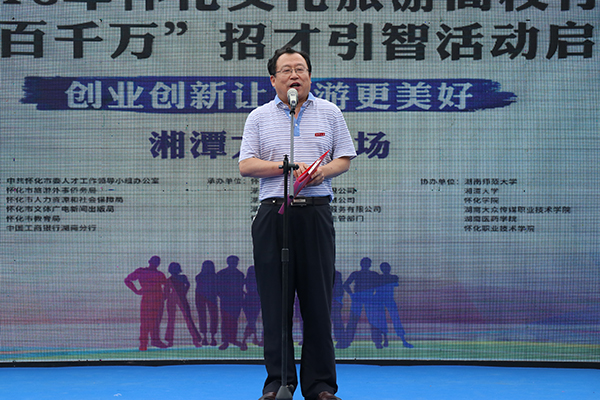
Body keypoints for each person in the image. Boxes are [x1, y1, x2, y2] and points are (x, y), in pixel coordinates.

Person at [239, 46, 356, 400]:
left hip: (315, 213)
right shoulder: (259, 116)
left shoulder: (330, 112)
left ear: (310, 76)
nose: (295, 75)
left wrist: (323, 172)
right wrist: (285, 167)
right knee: (275, 304)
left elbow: (344, 158)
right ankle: (279, 383)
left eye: (301, 69)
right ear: (273, 79)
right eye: (287, 70)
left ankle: (320, 386)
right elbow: (246, 165)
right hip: (274, 214)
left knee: (317, 302)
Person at [124, 255, 169, 351]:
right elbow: (127, 280)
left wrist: (164, 297)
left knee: (151, 322)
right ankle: (145, 343)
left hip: (155, 300)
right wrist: (135, 290)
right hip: (151, 299)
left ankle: (149, 342)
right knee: (148, 322)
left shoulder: (156, 274)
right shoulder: (151, 273)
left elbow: (167, 286)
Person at [339, 257, 383, 349]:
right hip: (360, 298)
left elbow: (381, 286)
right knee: (354, 321)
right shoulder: (358, 274)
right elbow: (345, 285)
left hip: (367, 299)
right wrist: (352, 295)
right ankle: (347, 341)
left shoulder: (373, 274)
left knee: (371, 320)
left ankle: (377, 342)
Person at [164, 262, 203, 348]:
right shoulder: (173, 279)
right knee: (175, 320)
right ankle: (171, 341)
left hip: (179, 298)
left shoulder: (175, 279)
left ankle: (195, 340)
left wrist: (183, 292)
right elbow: (166, 292)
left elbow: (187, 285)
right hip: (176, 299)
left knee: (185, 319)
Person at [376, 262, 413, 348]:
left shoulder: (394, 277)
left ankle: (403, 340)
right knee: (382, 320)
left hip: (389, 300)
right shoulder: (379, 278)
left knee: (396, 319)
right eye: (385, 268)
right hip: (380, 301)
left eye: (387, 267)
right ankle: (385, 339)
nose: (387, 269)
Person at [216, 255, 247, 351]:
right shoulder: (239, 274)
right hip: (232, 301)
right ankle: (229, 340)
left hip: (231, 301)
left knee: (229, 321)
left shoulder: (222, 273)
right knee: (230, 321)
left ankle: (228, 340)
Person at [195, 260, 219, 346]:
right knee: (213, 316)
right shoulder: (215, 277)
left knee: (203, 316)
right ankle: (211, 337)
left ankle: (205, 337)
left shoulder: (199, 276)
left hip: (201, 297)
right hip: (210, 297)